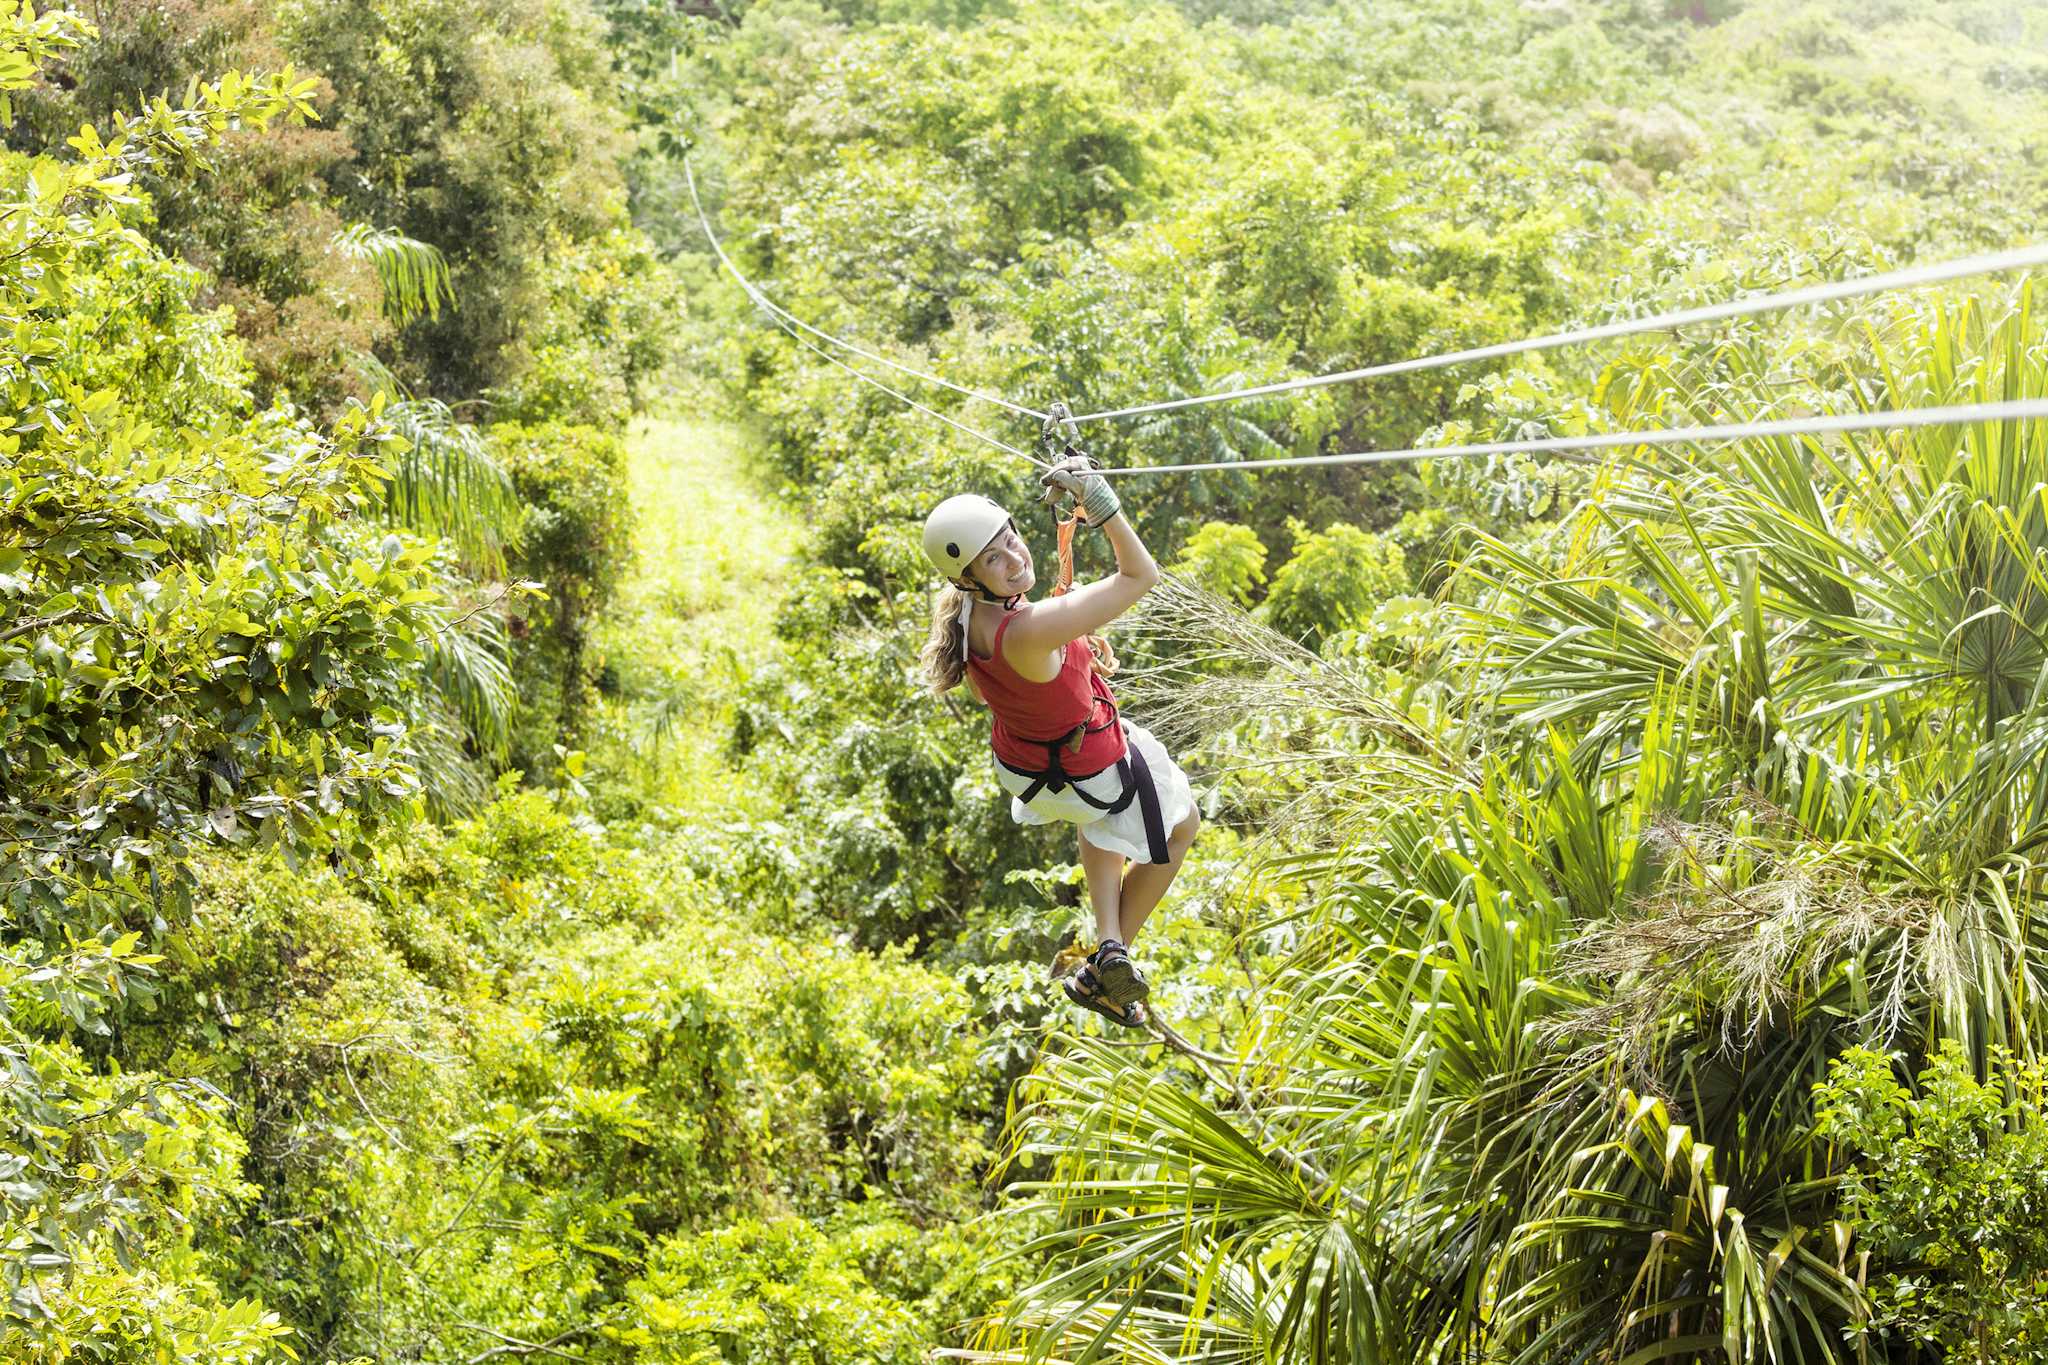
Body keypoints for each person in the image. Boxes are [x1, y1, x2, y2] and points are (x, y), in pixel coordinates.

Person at [917, 457, 1201, 1028]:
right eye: (994, 558)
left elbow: (1016, 678)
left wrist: (1073, 656)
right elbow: (1140, 576)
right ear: (969, 576)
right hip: (1084, 772)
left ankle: (1111, 941)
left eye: (1011, 539)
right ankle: (1106, 960)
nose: (1015, 557)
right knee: (1184, 820)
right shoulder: (1029, 629)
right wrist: (1103, 507)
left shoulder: (965, 617)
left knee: (1097, 808)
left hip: (1028, 772)